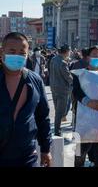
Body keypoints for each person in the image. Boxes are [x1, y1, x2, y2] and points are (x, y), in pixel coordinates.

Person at [0, 32, 52, 167]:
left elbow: (43, 116)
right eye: (12, 51)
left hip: (27, 155)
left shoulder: (35, 80)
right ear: (2, 52)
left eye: (22, 53)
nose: (17, 56)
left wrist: (46, 148)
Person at [72, 46, 98, 167]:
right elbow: (76, 91)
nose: (97, 58)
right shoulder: (80, 74)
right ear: (88, 57)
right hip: (82, 120)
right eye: (94, 55)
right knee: (79, 152)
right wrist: (88, 102)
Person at [49, 44, 73, 137]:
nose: (70, 53)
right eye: (69, 51)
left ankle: (57, 129)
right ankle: (57, 131)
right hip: (62, 89)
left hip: (53, 87)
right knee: (60, 112)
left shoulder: (54, 59)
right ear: (66, 51)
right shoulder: (63, 62)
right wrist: (74, 80)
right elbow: (68, 77)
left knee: (57, 110)